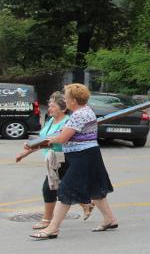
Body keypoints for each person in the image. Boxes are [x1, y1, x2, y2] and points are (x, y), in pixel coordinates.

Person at [29, 84, 117, 240]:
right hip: (88, 154)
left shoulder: (78, 115)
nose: (65, 99)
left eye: (67, 97)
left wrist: (50, 140)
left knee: (65, 190)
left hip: (83, 156)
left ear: (74, 100)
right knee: (95, 188)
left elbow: (63, 139)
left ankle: (52, 228)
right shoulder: (86, 110)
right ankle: (110, 220)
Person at [16, 92, 94, 230]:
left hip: (63, 159)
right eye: (49, 105)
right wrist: (25, 153)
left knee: (49, 188)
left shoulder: (68, 122)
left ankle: (47, 220)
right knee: (64, 188)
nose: (49, 108)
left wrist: (28, 149)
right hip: (52, 159)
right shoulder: (51, 120)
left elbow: (53, 141)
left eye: (52, 106)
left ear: (63, 109)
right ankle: (86, 203)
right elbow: (43, 140)